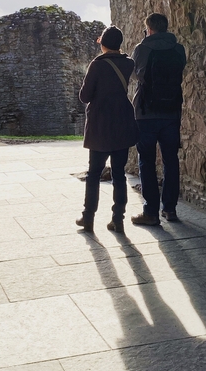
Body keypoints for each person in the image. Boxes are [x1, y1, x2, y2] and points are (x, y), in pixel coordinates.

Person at [76, 25, 137, 233]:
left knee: (94, 173)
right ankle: (118, 219)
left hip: (100, 125)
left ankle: (88, 217)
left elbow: (85, 96)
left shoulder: (97, 65)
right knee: (119, 174)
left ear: (103, 43)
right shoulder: (128, 63)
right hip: (122, 122)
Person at [130, 12, 186, 225]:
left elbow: (136, 75)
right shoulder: (178, 49)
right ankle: (170, 209)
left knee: (146, 161)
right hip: (171, 112)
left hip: (146, 113)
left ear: (149, 29)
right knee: (171, 160)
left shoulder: (142, 49)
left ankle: (151, 212)